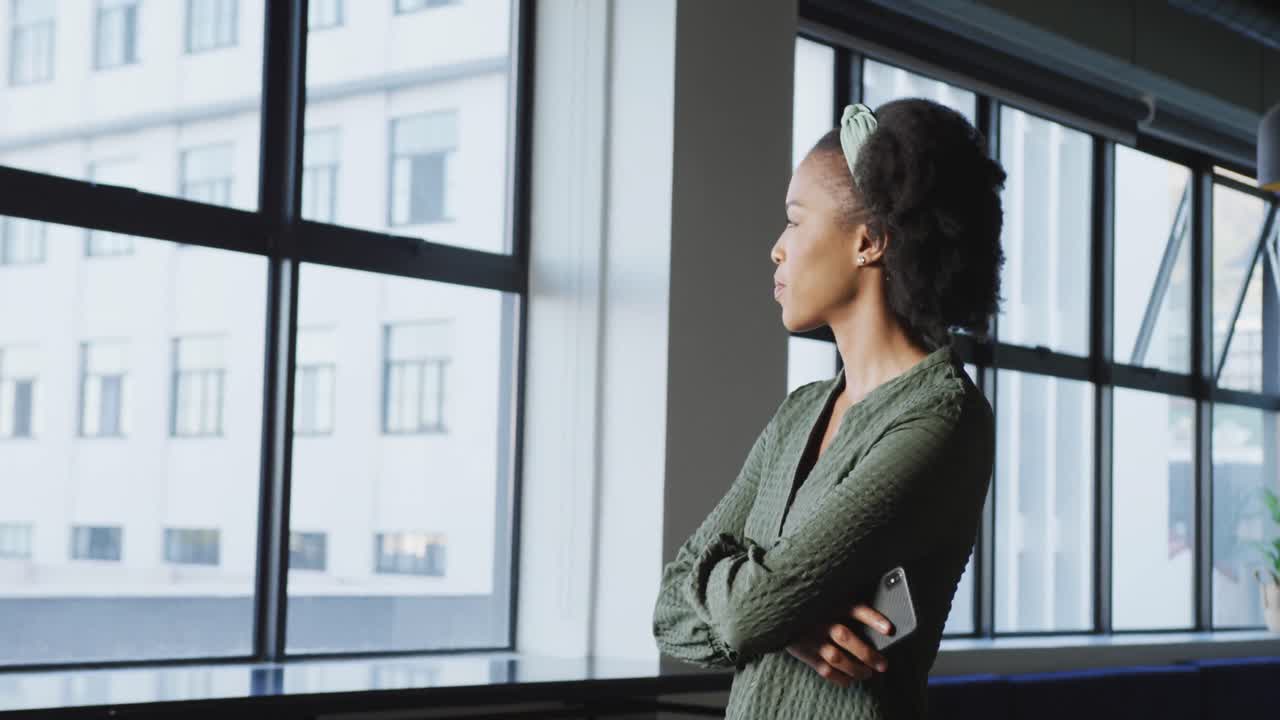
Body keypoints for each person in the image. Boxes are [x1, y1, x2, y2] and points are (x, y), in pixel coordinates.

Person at [651, 98, 1006, 719]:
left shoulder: (941, 419)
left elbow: (745, 613)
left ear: (867, 242)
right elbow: (669, 613)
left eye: (794, 221)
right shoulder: (801, 412)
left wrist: (765, 613)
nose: (776, 249)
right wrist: (793, 626)